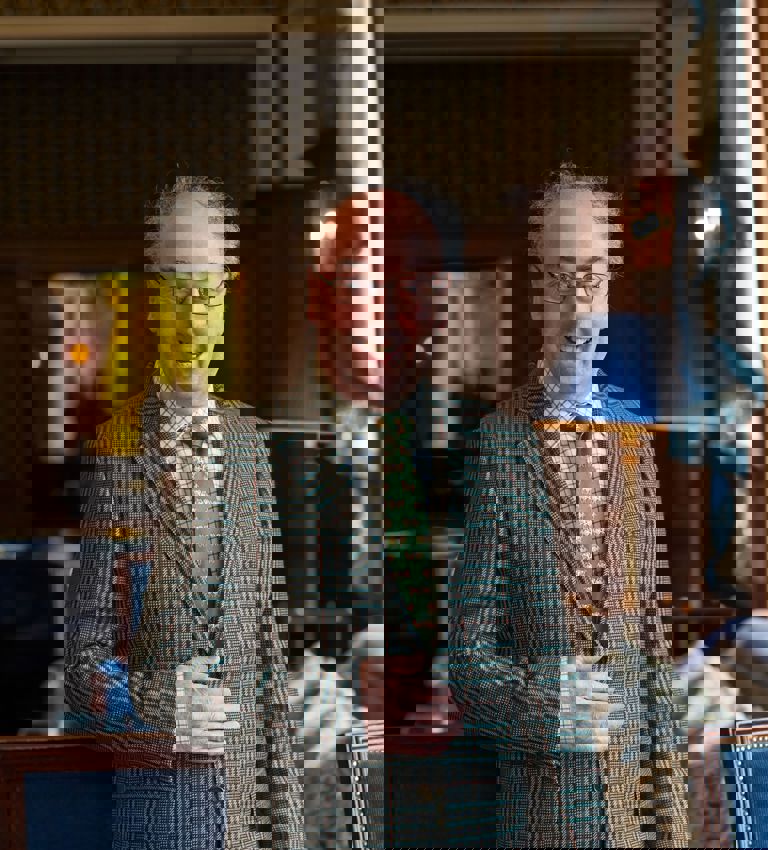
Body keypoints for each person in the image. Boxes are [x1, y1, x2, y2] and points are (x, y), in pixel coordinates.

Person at [448, 165, 688, 847]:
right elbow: (467, 661)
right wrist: (543, 708)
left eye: (592, 276)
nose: (578, 302)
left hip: (631, 813)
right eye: (558, 279)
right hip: (545, 810)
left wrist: (671, 822)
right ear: (531, 292)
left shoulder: (633, 443)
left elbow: (650, 648)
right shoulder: (498, 444)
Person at [64, 175, 303, 849]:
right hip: (159, 809)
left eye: (207, 289)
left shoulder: (250, 447)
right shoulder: (117, 449)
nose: (192, 312)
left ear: (228, 294)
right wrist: (159, 711)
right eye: (174, 287)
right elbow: (83, 668)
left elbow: (266, 646)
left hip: (247, 811)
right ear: (151, 301)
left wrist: (286, 816)